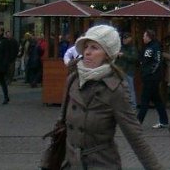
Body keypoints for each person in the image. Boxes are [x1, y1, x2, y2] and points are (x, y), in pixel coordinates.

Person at [42, 24, 163, 170]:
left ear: (107, 54)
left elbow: (135, 136)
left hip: (101, 164)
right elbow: (60, 124)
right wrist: (47, 162)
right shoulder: (73, 79)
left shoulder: (115, 89)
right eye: (86, 47)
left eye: (94, 48)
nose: (87, 52)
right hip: (71, 164)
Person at [136, 29, 168, 128]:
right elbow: (143, 59)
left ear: (149, 37)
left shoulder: (155, 47)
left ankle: (138, 121)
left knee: (145, 99)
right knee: (157, 99)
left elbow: (157, 62)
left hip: (152, 78)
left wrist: (148, 73)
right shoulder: (147, 47)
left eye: (144, 36)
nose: (143, 38)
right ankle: (164, 120)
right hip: (149, 77)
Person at [117, 32, 138, 108]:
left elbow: (134, 58)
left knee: (130, 89)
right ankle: (123, 105)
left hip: (129, 71)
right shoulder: (121, 47)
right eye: (123, 38)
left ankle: (133, 105)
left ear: (130, 38)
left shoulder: (133, 48)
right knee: (121, 89)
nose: (124, 40)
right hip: (121, 71)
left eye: (126, 38)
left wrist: (123, 55)